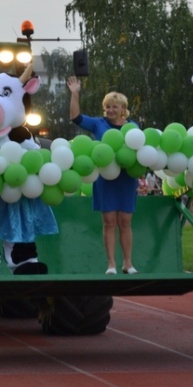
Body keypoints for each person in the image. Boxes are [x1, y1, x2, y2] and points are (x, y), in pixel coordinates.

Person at [68, 75, 138, 275]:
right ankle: (111, 265)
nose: (109, 110)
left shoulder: (133, 127)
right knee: (109, 221)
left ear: (122, 108)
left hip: (126, 178)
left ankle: (128, 263)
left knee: (125, 221)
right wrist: (75, 93)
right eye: (107, 106)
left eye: (114, 107)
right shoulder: (98, 123)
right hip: (105, 179)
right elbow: (75, 117)